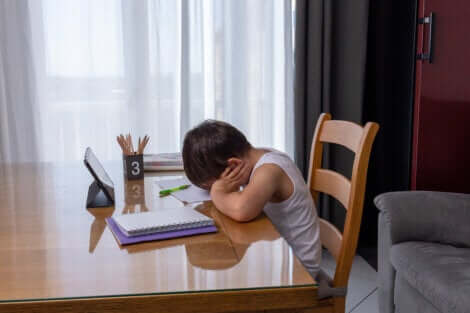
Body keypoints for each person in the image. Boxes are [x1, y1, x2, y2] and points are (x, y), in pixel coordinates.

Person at [182, 120, 321, 278]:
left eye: (211, 185)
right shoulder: (258, 156)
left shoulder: (269, 170)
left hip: (298, 270)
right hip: (279, 253)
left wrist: (218, 192)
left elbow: (242, 211)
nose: (211, 191)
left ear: (233, 165)